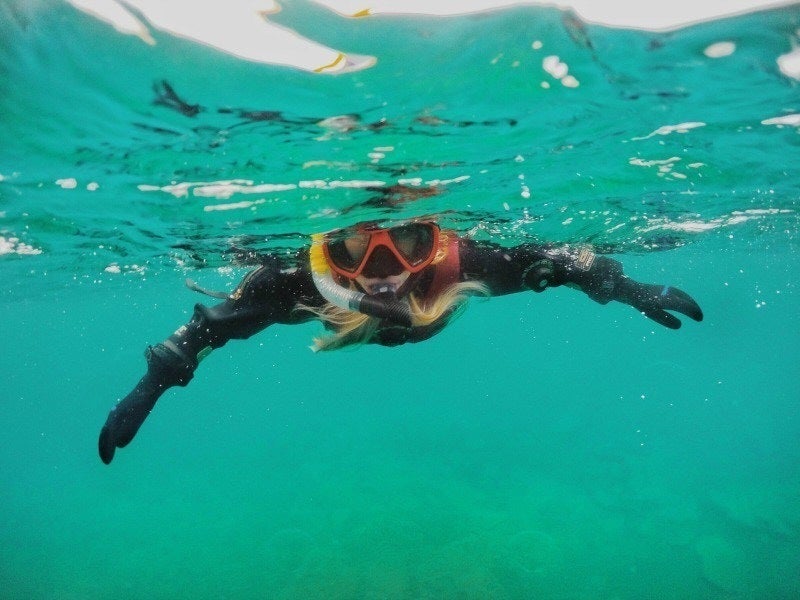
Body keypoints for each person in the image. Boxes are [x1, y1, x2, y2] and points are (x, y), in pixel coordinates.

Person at [98, 219, 703, 464]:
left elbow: (552, 262)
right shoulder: (291, 287)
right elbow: (208, 329)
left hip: (431, 315)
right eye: (352, 249)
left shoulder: (467, 265)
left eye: (409, 241)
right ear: (323, 253)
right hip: (348, 320)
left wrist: (626, 287)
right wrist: (151, 384)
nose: (383, 266)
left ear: (434, 241)